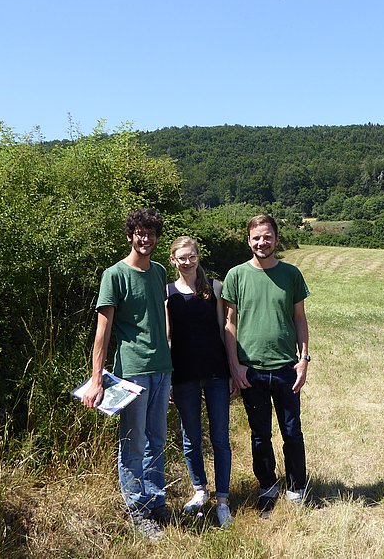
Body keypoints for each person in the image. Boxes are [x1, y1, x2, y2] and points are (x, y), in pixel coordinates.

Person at [82, 207, 172, 540]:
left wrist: (170, 361)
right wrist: (96, 378)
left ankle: (156, 500)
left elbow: (160, 319)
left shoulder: (159, 271)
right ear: (130, 235)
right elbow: (102, 332)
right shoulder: (114, 275)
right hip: (131, 371)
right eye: (140, 233)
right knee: (133, 443)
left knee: (157, 439)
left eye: (151, 234)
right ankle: (136, 508)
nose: (145, 239)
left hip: (162, 369)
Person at [221, 214, 311, 516]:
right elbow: (230, 324)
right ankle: (268, 487)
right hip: (251, 371)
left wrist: (303, 360)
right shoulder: (235, 275)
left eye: (267, 236)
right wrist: (234, 365)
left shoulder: (292, 274)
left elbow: (300, 319)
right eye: (256, 237)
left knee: (292, 431)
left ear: (276, 238)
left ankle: (298, 487)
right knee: (260, 434)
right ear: (249, 240)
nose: (262, 242)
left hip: (286, 368)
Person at [165, 236, 233, 528]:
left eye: (191, 257)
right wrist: (167, 377)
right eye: (182, 258)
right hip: (183, 375)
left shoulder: (214, 289)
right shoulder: (166, 293)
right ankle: (200, 491)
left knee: (220, 438)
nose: (187, 262)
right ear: (173, 260)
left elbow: (225, 329)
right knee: (190, 437)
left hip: (216, 372)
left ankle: (223, 499)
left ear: (198, 256)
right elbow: (167, 337)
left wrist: (233, 369)